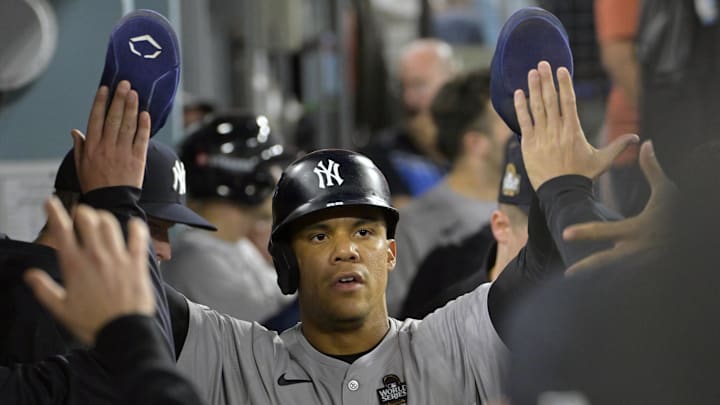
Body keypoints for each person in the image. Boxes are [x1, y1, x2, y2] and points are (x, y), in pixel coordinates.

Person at [24, 197, 206, 405]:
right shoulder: (34, 303)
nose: (166, 251)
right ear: (85, 219)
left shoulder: (165, 304)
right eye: (152, 228)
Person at [386, 69, 512, 317]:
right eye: (510, 120)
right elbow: (395, 325)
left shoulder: (528, 210)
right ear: (476, 143)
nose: (524, 129)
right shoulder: (414, 224)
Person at [163, 113, 296, 326]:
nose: (278, 176)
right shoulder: (196, 260)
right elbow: (273, 335)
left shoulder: (237, 245)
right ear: (245, 179)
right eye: (270, 167)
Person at [400, 136, 534, 319]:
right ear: (501, 227)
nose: (563, 240)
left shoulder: (578, 304)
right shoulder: (446, 282)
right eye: (545, 229)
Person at [361, 39, 455, 206]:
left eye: (419, 85)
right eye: (403, 87)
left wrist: (438, 150)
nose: (408, 99)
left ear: (451, 82)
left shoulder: (475, 143)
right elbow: (406, 222)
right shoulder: (384, 152)